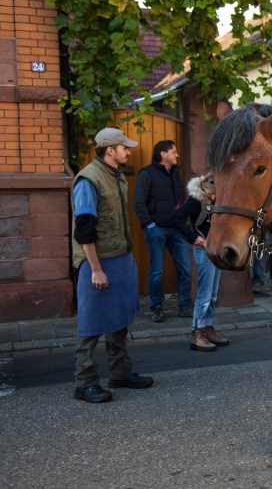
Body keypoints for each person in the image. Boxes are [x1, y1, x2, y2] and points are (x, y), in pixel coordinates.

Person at [71, 127, 154, 403]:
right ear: (110, 150)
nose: (128, 152)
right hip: (98, 262)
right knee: (91, 324)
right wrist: (95, 269)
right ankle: (84, 383)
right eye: (124, 148)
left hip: (119, 258)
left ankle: (119, 372)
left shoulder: (115, 176)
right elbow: (84, 229)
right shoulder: (89, 180)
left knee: (119, 319)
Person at [168, 173, 230, 351]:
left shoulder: (218, 199)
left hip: (217, 249)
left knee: (213, 295)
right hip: (203, 250)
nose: (214, 197)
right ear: (204, 188)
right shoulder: (195, 201)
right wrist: (193, 238)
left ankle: (208, 328)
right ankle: (197, 333)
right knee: (204, 295)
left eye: (216, 194)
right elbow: (173, 219)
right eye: (211, 194)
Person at [133, 139, 192, 322]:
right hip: (157, 229)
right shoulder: (146, 174)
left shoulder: (175, 174)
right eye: (173, 152)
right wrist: (150, 225)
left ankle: (184, 306)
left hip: (177, 230)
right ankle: (157, 307)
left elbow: (182, 201)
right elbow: (139, 203)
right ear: (163, 154)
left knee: (186, 269)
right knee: (157, 271)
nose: (177, 155)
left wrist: (183, 222)